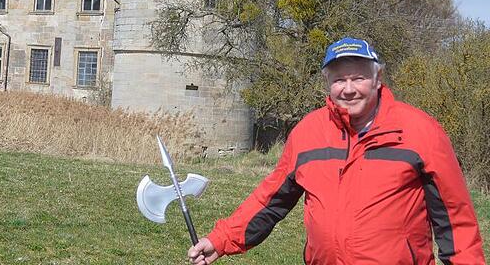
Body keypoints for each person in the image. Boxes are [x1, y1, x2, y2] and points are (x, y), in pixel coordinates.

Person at [188, 37, 485, 264]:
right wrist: (221, 239)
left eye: (358, 77)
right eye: (339, 79)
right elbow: (270, 200)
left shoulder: (421, 131)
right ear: (327, 83)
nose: (349, 88)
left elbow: (456, 220)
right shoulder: (308, 132)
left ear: (378, 78)